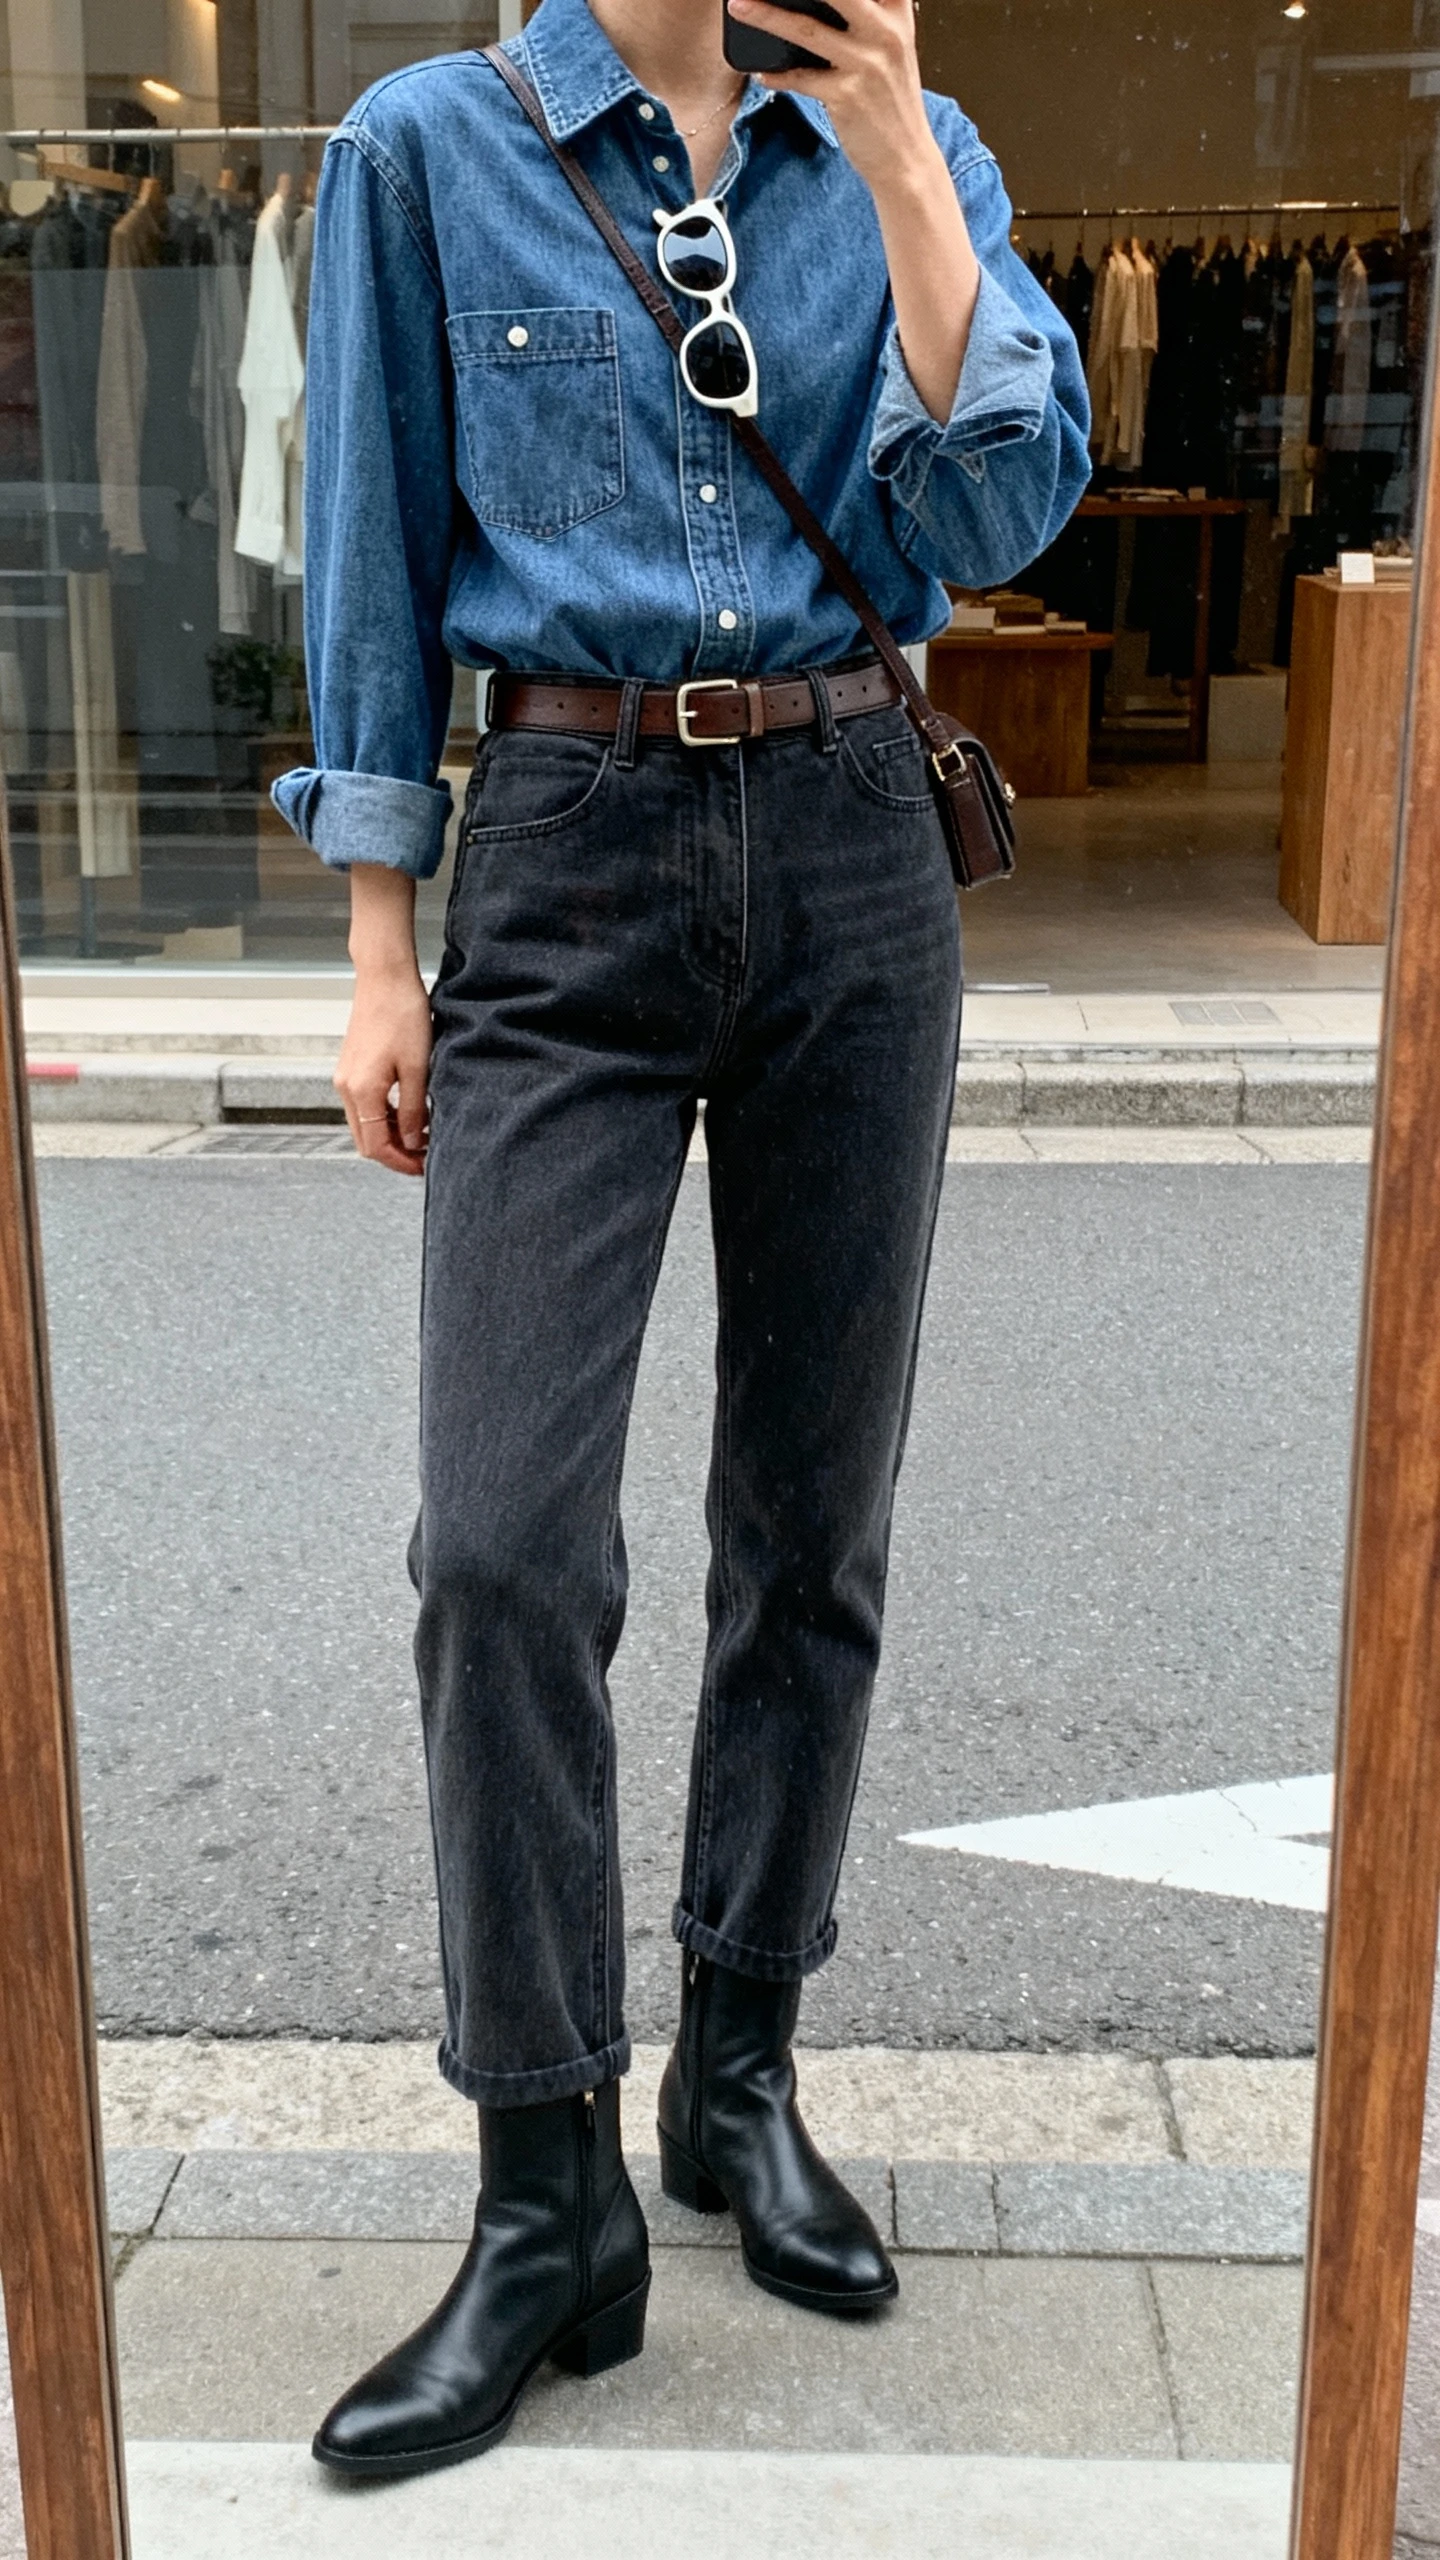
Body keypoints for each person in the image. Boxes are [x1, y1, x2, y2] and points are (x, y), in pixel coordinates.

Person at [275, 0, 1088, 2480]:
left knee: (811, 1522)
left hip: (856, 835)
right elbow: (378, 551)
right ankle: (548, 2187)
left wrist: (911, 173)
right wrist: (379, 942)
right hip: (566, 852)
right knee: (501, 1548)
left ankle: (743, 2075)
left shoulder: (903, 137)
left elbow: (1002, 511)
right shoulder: (435, 145)